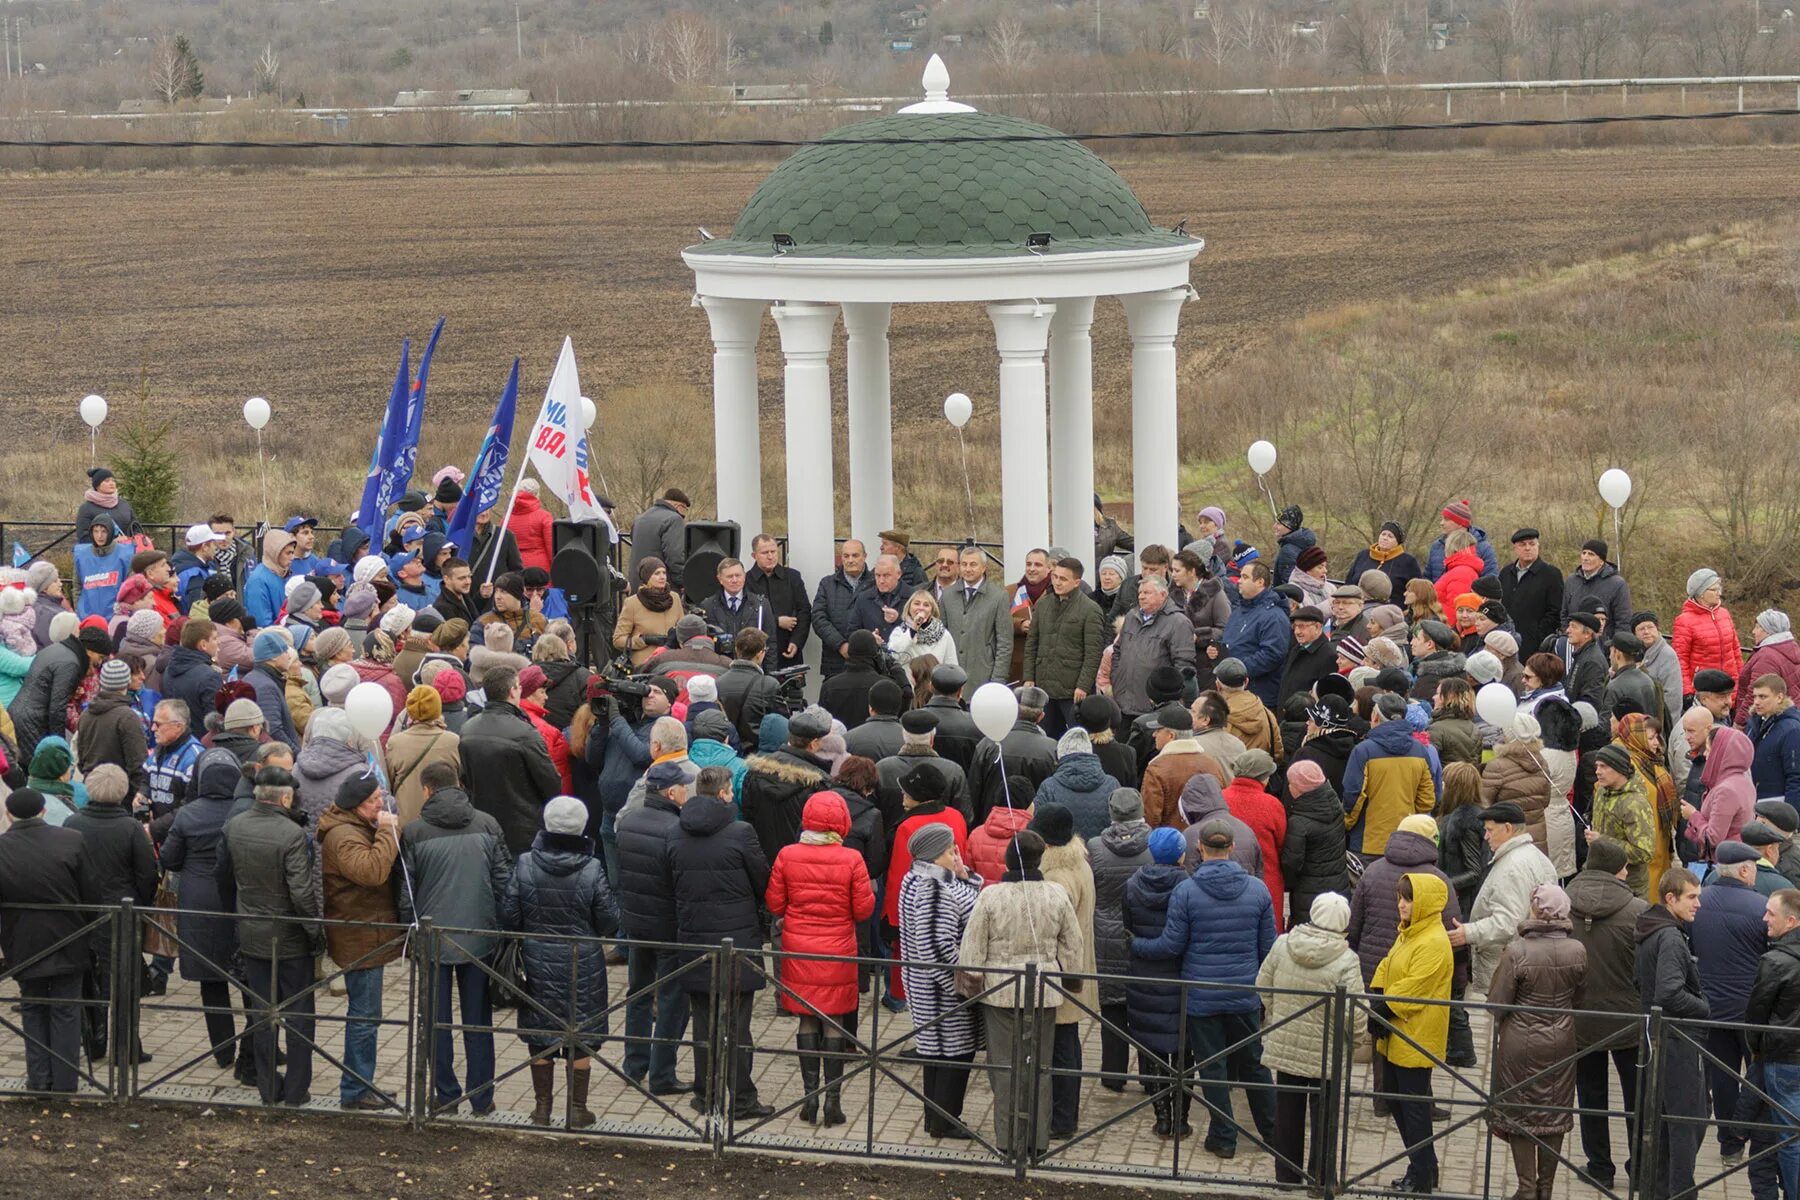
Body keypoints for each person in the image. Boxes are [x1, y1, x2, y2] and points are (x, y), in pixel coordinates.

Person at [1131, 817, 1278, 1160]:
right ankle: (1274, 1134)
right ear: (1231, 848)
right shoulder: (1258, 890)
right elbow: (1268, 949)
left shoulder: (1187, 891)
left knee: (1213, 1067)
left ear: (1199, 848)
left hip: (1201, 995)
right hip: (1244, 994)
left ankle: (1224, 1138)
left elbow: (1171, 945)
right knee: (1254, 1063)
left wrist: (1137, 945)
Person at [398, 759, 513, 1115]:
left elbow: (406, 895)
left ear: (428, 790)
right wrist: (504, 931)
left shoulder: (414, 833)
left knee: (436, 1021)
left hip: (433, 941)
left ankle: (446, 1096)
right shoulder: (488, 823)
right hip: (479, 938)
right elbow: (503, 883)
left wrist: (410, 935)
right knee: (478, 1020)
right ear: (460, 785)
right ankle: (482, 1098)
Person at [958, 829, 1083, 1156]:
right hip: (1044, 991)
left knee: (1003, 1068)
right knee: (1040, 1068)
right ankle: (1037, 1142)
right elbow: (1073, 944)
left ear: (1007, 859)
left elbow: (972, 947)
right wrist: (1069, 980)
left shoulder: (991, 896)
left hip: (1000, 992)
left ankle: (1009, 1141)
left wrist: (969, 987)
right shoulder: (1056, 893)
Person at [501, 795, 618, 1127]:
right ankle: (577, 1110)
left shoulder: (525, 863)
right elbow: (609, 921)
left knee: (541, 1031)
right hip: (583, 963)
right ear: (581, 827)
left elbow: (509, 914)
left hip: (536, 960)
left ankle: (542, 1109)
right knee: (581, 1032)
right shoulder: (593, 867)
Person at [666, 758, 773, 1120]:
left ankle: (705, 1095)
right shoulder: (741, 832)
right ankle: (742, 1100)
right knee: (738, 1026)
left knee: (702, 1021)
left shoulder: (675, 832)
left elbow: (668, 884)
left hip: (694, 940)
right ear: (725, 794)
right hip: (737, 943)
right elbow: (763, 881)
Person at [765, 790, 876, 1127]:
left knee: (806, 1017)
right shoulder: (852, 858)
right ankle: (833, 1101)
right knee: (834, 1020)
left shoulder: (787, 854)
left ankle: (809, 1097)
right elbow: (863, 909)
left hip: (799, 947)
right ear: (842, 822)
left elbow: (774, 904)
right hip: (838, 948)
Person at [216, 766, 321, 1107]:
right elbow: (302, 894)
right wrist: (315, 933)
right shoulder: (292, 835)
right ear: (286, 797)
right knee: (300, 1017)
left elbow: (223, 876)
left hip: (251, 935)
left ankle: (266, 1088)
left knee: (262, 1015)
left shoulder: (234, 826)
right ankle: (295, 1091)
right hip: (290, 939)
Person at [1487, 882, 1587, 1200]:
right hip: (1561, 1040)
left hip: (1520, 1041)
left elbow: (1497, 1003)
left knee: (1519, 1112)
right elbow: (1580, 998)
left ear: (1535, 909)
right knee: (1554, 1114)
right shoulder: (1577, 950)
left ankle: (1526, 1187)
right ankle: (1546, 1188)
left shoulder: (1518, 950)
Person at [1258, 892, 1365, 1187]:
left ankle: (1287, 1178)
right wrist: (1353, 1043)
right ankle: (1320, 1181)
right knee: (1324, 1120)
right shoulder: (1347, 960)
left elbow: (1262, 984)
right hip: (1327, 1052)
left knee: (1287, 1115)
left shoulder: (1283, 944)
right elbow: (1356, 1014)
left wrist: (1276, 1015)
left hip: (1288, 1044)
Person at [1564, 838, 1650, 1191]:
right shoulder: (1640, 911)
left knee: (1590, 1094)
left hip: (1580, 1018)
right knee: (1636, 1097)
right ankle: (1640, 1167)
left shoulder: (1563, 904)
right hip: (1628, 1020)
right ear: (1618, 870)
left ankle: (1600, 1166)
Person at [317, 772, 404, 1111]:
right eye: (373, 801)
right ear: (355, 805)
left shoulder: (353, 827)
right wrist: (387, 831)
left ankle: (361, 1083)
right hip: (359, 936)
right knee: (365, 1018)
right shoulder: (343, 836)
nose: (380, 805)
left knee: (367, 1016)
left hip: (367, 931)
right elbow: (372, 872)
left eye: (380, 797)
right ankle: (355, 1090)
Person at [0, 787, 96, 1092]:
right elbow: (91, 894)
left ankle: (39, 1080)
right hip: (70, 937)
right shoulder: (71, 840)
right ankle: (66, 1082)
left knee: (32, 1006)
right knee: (66, 1008)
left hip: (23, 942)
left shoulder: (2, 848)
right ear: (44, 811)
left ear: (8, 815)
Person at [63, 765, 157, 1061]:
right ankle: (126, 1046)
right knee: (123, 981)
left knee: (88, 976)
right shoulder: (129, 828)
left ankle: (94, 1041)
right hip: (122, 910)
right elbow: (147, 874)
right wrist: (140, 902)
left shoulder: (72, 822)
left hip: (83, 913)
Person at [897, 822, 984, 1138]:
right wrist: (961, 986)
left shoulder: (923, 878)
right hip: (939, 990)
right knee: (952, 1053)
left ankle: (937, 1118)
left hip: (929, 985)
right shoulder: (933, 887)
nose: (957, 854)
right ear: (934, 857)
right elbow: (934, 945)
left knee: (938, 1051)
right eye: (951, 851)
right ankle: (944, 1121)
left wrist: (965, 875)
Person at [1370, 873, 1454, 1194]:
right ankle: (1424, 1166)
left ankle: (1422, 1175)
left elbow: (1414, 988)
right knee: (1395, 1097)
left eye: (1408, 899)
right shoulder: (1411, 932)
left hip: (1415, 1034)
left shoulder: (1433, 941)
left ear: (1426, 904)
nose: (1401, 904)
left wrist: (1380, 1007)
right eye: (1400, 897)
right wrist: (1377, 991)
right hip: (1397, 1031)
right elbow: (1389, 964)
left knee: (1413, 1108)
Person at [1692, 841, 1772, 1169]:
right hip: (1752, 1013)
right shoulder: (1762, 907)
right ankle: (1754, 1140)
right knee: (1759, 1075)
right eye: (1753, 868)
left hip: (1711, 1008)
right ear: (1743, 869)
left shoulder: (1698, 903)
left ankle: (1729, 1144)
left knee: (1722, 1078)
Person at [1635, 867, 1709, 1200]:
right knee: (1685, 1124)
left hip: (1659, 1039)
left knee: (1668, 1124)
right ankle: (1681, 1193)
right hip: (1674, 1042)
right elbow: (1668, 993)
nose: (1698, 905)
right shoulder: (1669, 936)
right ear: (1670, 898)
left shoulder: (1654, 928)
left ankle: (1661, 1190)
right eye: (1692, 897)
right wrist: (1704, 1008)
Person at [1030, 802, 1097, 1139]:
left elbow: (1050, 927)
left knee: (1061, 1051)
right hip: (1072, 971)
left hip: (1059, 975)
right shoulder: (1079, 862)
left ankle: (1062, 1120)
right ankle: (1063, 1116)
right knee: (1067, 1046)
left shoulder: (1056, 876)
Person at [458, 665, 564, 856]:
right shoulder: (525, 733)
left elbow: (465, 778)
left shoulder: (467, 729)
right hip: (522, 831)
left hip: (482, 827)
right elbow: (552, 784)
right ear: (512, 691)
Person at [1086, 788, 1153, 1092]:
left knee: (1112, 1009)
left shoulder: (1096, 847)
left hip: (1106, 936)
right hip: (1146, 933)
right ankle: (1152, 1074)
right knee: (1148, 1007)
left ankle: (1113, 1075)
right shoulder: (1156, 844)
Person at [1745, 888, 1800, 1199]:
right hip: (1787, 1055)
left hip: (1783, 1059)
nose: (1764, 918)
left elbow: (1755, 1016)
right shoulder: (1776, 958)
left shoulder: (1775, 961)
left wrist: (1756, 1049)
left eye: (1771, 914)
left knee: (1789, 1139)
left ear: (1791, 921)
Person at [1344, 693, 1441, 861]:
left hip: (1368, 844)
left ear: (1375, 716)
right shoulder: (1420, 750)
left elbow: (1354, 796)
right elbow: (1426, 800)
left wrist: (1345, 825)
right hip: (1407, 841)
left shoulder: (1363, 751)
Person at [1020, 557, 1105, 737]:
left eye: (1063, 579)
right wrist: (1028, 676)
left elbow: (1093, 653)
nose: (1057, 582)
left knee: (1076, 736)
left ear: (1077, 582)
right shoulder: (1043, 604)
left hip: (1072, 690)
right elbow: (1032, 644)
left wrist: (1082, 685)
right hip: (1044, 687)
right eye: (1055, 577)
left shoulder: (1090, 610)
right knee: (1046, 736)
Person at [8, 623, 109, 758]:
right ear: (89, 650)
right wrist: (59, 748)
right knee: (40, 772)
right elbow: (57, 709)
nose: (99, 663)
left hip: (20, 714)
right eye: (100, 657)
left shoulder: (58, 649)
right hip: (33, 722)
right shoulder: (71, 664)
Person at [967, 686, 1058, 821]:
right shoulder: (1052, 749)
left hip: (990, 825)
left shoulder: (988, 743)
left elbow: (974, 789)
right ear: (1041, 717)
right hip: (1033, 830)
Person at [1222, 750, 1289, 929]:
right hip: (1266, 880)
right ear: (1264, 777)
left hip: (1225, 880)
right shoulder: (1272, 805)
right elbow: (1282, 845)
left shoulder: (1221, 799)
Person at [380, 685, 462, 827]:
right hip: (446, 819)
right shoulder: (452, 741)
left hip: (408, 822)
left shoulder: (396, 743)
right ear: (437, 709)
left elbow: (389, 781)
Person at [1140, 704, 1228, 830]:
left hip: (1171, 845)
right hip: (1206, 841)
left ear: (1171, 735)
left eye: (1158, 730)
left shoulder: (1157, 768)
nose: (1154, 735)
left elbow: (1151, 818)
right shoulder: (1211, 764)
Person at [1282, 759, 1350, 922]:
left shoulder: (1299, 823)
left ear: (1299, 789)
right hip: (1338, 885)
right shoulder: (1334, 804)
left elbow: (1291, 864)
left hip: (1310, 895)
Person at [75, 657, 150, 800]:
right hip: (120, 795)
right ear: (127, 682)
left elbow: (82, 759)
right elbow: (138, 764)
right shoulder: (127, 717)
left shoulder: (86, 715)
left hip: (91, 790)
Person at [939, 545, 1010, 695]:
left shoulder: (998, 597)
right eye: (964, 564)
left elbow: (1004, 643)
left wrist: (998, 680)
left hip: (983, 676)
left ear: (984, 567)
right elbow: (941, 635)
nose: (968, 569)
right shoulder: (947, 595)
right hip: (952, 676)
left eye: (973, 564)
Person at [1220, 563, 1288, 710]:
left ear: (1260, 582)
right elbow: (1231, 642)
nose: (1239, 581)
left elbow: (1272, 654)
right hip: (1232, 691)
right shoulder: (1238, 611)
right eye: (1240, 576)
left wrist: (1237, 670)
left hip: (1259, 697)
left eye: (1245, 577)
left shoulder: (1274, 616)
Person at [1685, 724, 1755, 861]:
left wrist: (1693, 815)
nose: (1705, 754)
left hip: (1726, 864)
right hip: (1738, 857)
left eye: (1709, 750)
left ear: (1721, 753)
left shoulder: (1726, 790)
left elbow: (1713, 838)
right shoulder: (1743, 780)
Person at [1033, 728, 1115, 840]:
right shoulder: (1112, 784)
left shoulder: (1049, 787)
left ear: (1060, 755)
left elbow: (1037, 830)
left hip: (1063, 856)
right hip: (1103, 855)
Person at [1676, 573, 1743, 705]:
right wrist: (1687, 691)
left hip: (1731, 687)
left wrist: (1742, 680)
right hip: (1705, 690)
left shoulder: (1724, 614)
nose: (1719, 593)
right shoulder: (1684, 620)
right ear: (1701, 593)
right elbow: (1680, 659)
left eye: (1719, 589)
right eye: (1714, 589)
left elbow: (1736, 651)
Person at [612, 558, 685, 668]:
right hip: (644, 666)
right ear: (647, 577)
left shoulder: (675, 598)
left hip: (671, 663)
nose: (662, 577)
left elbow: (682, 630)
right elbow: (618, 640)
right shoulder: (633, 603)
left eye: (664, 573)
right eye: (656, 573)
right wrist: (643, 640)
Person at [1737, 612, 1800, 729]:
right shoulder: (1790, 647)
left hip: (1771, 721)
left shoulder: (1767, 658)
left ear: (1768, 630)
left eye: (1757, 627)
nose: (1753, 632)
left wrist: (1739, 722)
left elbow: (1755, 694)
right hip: (1791, 716)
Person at [1749, 672, 1800, 809]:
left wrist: (1790, 818)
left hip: (1776, 807)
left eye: (1763, 697)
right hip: (1754, 802)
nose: (1756, 702)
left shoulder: (1792, 730)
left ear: (1779, 697)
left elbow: (1796, 777)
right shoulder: (1755, 723)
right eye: (1755, 696)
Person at [1560, 539, 1633, 635]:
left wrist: (1615, 645)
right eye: (1584, 553)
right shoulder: (1572, 581)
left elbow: (1623, 621)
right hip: (1574, 643)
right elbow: (1564, 615)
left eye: (1591, 554)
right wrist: (1567, 635)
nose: (1585, 557)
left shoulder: (1617, 584)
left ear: (1602, 561)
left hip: (1604, 645)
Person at [700, 556, 773, 643]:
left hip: (750, 656)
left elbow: (771, 642)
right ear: (720, 579)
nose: (734, 580)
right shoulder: (707, 606)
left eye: (738, 575)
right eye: (729, 576)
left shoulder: (761, 604)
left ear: (744, 576)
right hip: (720, 656)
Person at [627, 488, 688, 585]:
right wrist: (682, 582)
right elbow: (675, 557)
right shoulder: (674, 519)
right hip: (661, 587)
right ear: (679, 506)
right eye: (685, 510)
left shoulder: (640, 518)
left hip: (637, 583)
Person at [1349, 521, 1422, 597]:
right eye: (1383, 534)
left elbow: (1417, 592)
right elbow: (1349, 583)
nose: (1385, 538)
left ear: (1397, 542)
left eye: (1390, 536)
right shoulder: (1363, 555)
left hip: (1392, 607)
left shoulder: (1408, 562)